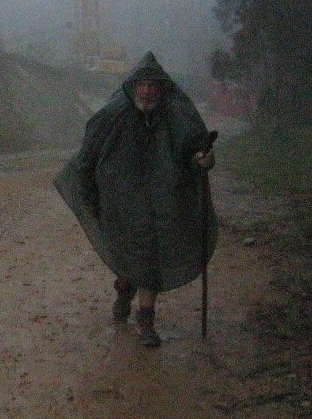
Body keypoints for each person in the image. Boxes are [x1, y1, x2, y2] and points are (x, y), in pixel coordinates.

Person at [54, 52, 217, 347]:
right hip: (121, 203)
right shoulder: (112, 116)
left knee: (151, 260)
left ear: (162, 88)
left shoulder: (178, 117)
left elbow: (193, 156)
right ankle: (124, 291)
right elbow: (86, 160)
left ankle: (146, 320)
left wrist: (203, 162)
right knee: (129, 259)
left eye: (153, 85)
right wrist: (89, 195)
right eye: (141, 84)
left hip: (163, 203)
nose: (147, 91)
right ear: (132, 86)